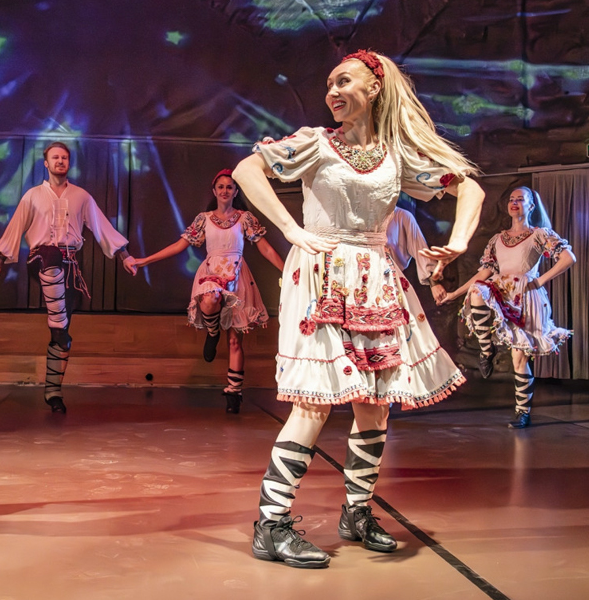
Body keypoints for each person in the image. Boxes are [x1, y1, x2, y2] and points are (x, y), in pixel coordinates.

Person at [231, 49, 484, 568]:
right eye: (329, 83)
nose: (332, 91)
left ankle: (357, 511)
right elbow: (246, 170)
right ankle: (271, 525)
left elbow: (469, 187)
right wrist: (292, 229)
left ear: (374, 88)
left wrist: (457, 243)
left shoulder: (396, 156)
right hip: (320, 274)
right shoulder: (315, 144)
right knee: (314, 403)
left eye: (343, 80)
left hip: (375, 278)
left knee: (375, 403)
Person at [0, 141, 137, 413]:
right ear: (46, 163)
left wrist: (125, 256)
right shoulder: (32, 195)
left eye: (64, 157)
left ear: (69, 163)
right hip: (41, 259)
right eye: (55, 157)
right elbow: (15, 227)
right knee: (50, 256)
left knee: (62, 335)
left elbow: (103, 227)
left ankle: (53, 391)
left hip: (70, 265)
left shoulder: (81, 196)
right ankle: (57, 318)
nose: (60, 161)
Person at [127, 169, 284, 413]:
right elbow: (180, 245)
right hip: (212, 271)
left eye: (229, 187)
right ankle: (212, 332)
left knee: (234, 340)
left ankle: (234, 392)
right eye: (220, 186)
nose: (224, 190)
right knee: (210, 299)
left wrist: (288, 270)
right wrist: (144, 260)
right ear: (214, 191)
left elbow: (265, 249)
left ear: (235, 191)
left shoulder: (245, 218)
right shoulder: (204, 218)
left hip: (236, 275)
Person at [439, 186, 575, 428]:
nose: (515, 203)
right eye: (512, 199)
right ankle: (486, 348)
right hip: (501, 290)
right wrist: (453, 294)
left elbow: (568, 258)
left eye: (520, 199)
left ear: (531, 206)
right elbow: (483, 273)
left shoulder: (539, 234)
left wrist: (538, 281)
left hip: (526, 298)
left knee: (519, 358)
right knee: (477, 289)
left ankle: (523, 412)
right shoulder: (497, 240)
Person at [385, 200, 446, 303]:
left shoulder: (402, 216)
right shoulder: (357, 219)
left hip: (391, 283)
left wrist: (434, 283)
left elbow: (420, 248)